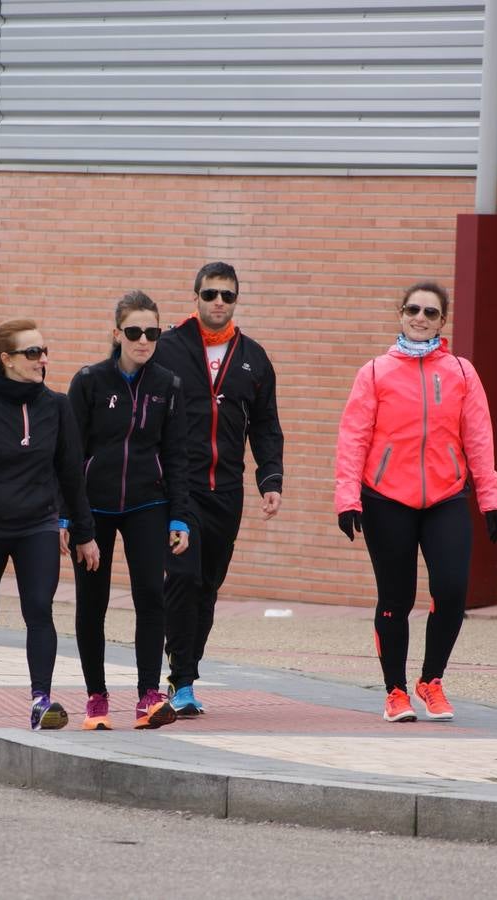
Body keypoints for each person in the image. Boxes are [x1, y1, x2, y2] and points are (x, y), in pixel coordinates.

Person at [333, 281, 497, 723]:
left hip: (446, 497)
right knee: (396, 598)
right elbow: (353, 438)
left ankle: (431, 680)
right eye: (414, 309)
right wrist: (347, 497)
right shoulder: (375, 372)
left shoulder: (462, 373)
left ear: (442, 321)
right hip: (386, 498)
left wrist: (490, 499)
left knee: (451, 591)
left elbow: (479, 439)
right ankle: (395, 691)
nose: (421, 318)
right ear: (401, 313)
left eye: (431, 312)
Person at [0, 318, 100, 731]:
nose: (43, 359)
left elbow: (71, 474)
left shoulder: (57, 406)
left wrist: (84, 533)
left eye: (44, 351)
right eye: (33, 353)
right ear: (6, 359)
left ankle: (40, 701)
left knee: (39, 609)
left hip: (38, 526)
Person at [151, 261, 284, 717]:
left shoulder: (254, 357)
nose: (219, 303)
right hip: (177, 489)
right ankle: (180, 679)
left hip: (226, 490)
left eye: (227, 296)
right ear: (195, 298)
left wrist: (270, 478)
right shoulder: (166, 347)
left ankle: (186, 670)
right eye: (210, 295)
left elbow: (266, 425)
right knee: (183, 579)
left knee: (207, 586)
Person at [66, 291, 192, 730]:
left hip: (148, 503)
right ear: (117, 332)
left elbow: (177, 455)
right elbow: (70, 454)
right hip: (94, 509)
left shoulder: (168, 385)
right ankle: (96, 698)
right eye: (134, 332)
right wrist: (69, 517)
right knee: (92, 602)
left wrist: (180, 517)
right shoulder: (88, 382)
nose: (143, 340)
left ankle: (148, 696)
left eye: (152, 332)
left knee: (150, 597)